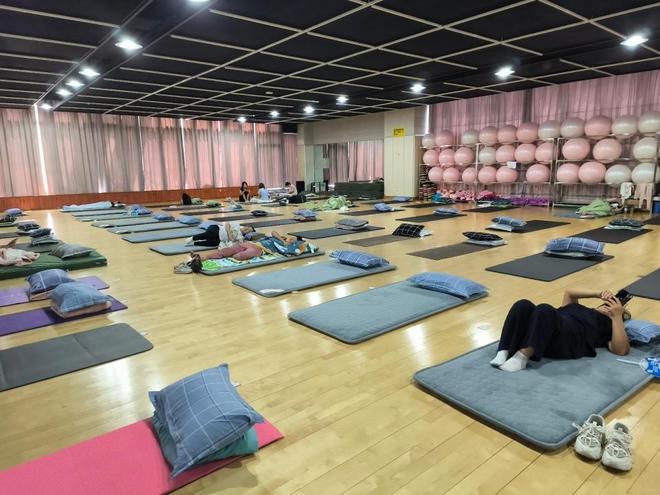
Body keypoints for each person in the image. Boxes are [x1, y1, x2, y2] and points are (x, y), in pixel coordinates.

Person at [491, 289, 631, 372]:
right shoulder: (582, 308)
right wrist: (598, 293)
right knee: (522, 304)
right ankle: (504, 350)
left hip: (569, 340)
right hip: (547, 326)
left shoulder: (609, 325)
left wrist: (616, 316)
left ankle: (521, 357)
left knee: (544, 309)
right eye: (609, 305)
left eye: (616, 308)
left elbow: (621, 349)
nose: (609, 307)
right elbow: (569, 292)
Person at [189, 232, 314, 270]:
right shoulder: (281, 238)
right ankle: (201, 258)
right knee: (227, 251)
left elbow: (304, 246)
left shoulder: (295, 246)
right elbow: (273, 232)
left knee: (237, 256)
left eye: (293, 239)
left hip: (260, 250)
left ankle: (206, 260)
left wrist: (297, 247)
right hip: (252, 244)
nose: (291, 239)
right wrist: (283, 239)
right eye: (291, 238)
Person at [184, 222, 255, 247]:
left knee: (215, 243)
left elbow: (239, 243)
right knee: (212, 233)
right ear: (246, 226)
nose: (247, 230)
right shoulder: (237, 225)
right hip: (217, 229)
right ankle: (192, 238)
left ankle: (195, 243)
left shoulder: (240, 237)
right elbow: (227, 224)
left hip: (219, 238)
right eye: (248, 228)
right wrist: (229, 235)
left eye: (248, 231)